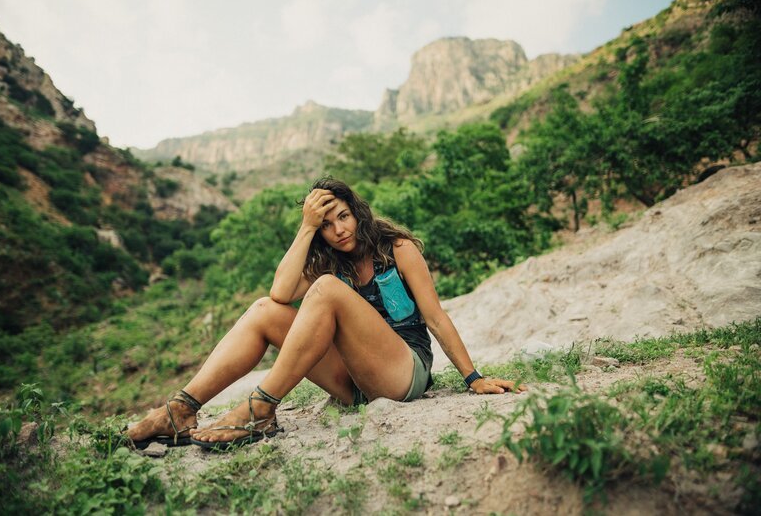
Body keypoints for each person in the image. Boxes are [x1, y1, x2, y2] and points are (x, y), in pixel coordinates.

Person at [128, 177, 526, 450]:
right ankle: (181, 410)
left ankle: (261, 408)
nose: (338, 230)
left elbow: (436, 317)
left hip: (404, 370)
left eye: (343, 216)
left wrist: (473, 378)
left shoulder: (397, 249)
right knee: (264, 310)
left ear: (357, 212)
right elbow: (279, 293)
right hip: (352, 382)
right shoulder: (329, 263)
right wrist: (305, 228)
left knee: (326, 289)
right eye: (326, 224)